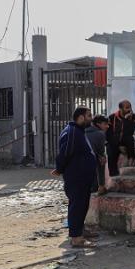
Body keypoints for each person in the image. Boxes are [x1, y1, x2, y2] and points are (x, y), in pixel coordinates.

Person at [51, 106, 98, 248]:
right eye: (89, 116)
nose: (91, 118)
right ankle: (76, 238)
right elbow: (64, 153)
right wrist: (59, 169)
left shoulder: (79, 132)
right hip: (76, 178)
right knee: (77, 206)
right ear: (81, 117)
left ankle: (80, 230)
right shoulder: (72, 132)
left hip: (83, 178)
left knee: (83, 205)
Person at [106, 100, 135, 177]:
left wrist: (127, 120)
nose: (129, 109)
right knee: (110, 149)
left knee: (130, 139)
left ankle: (131, 159)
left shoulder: (134, 117)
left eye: (130, 107)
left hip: (126, 140)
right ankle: (113, 175)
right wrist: (118, 146)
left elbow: (130, 132)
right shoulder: (111, 117)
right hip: (114, 141)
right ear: (120, 109)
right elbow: (109, 134)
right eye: (127, 108)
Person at [86, 115, 109, 196]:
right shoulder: (100, 134)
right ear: (98, 124)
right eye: (105, 124)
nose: (107, 126)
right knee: (102, 159)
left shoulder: (83, 131)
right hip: (88, 163)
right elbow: (101, 155)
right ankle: (101, 187)